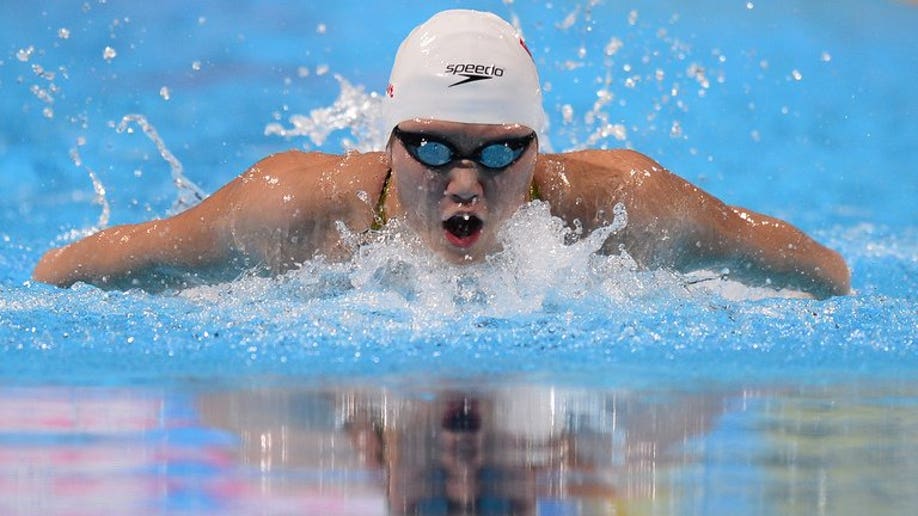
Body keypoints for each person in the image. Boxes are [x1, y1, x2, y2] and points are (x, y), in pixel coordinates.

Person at [32, 9, 850, 299]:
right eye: (430, 148)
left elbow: (823, 273)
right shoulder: (289, 209)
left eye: (498, 156)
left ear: (538, 147)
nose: (465, 185)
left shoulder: (626, 205)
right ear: (389, 145)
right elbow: (69, 272)